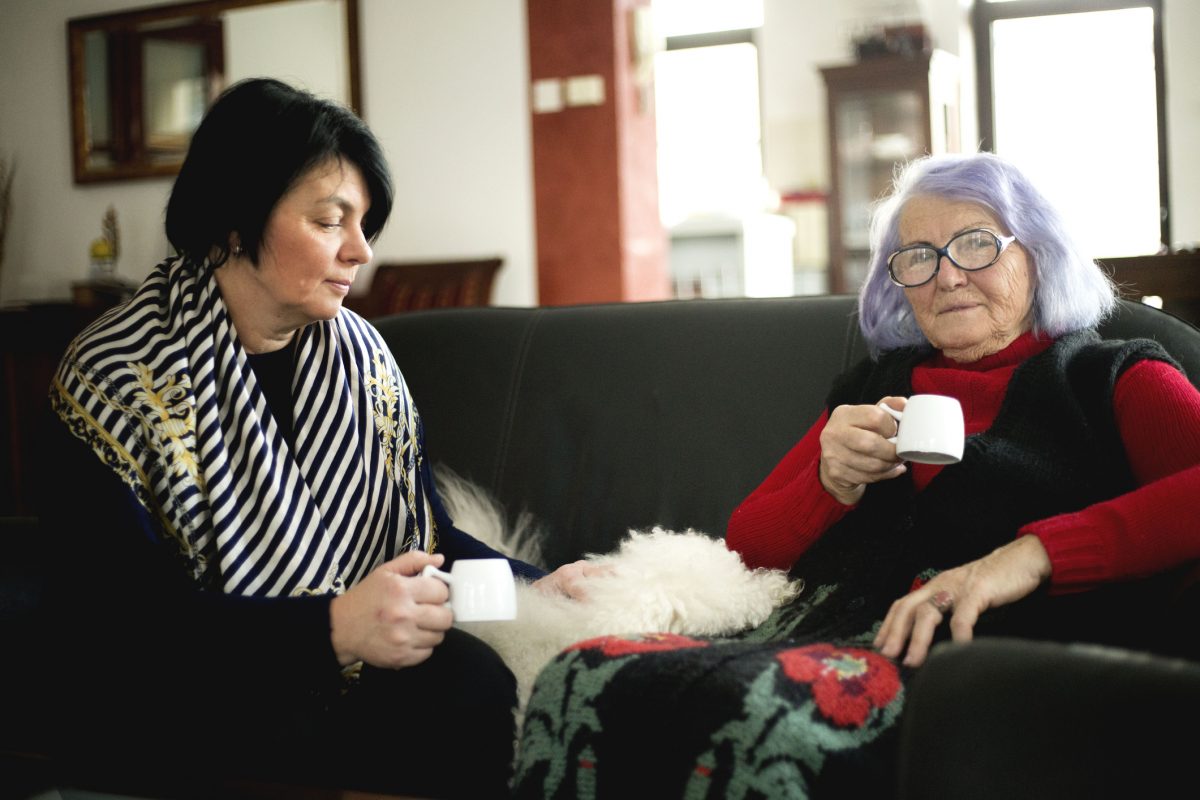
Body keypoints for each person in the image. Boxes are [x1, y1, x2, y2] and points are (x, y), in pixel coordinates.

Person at [41, 77, 590, 798]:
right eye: (332, 221)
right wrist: (332, 627)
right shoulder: (115, 377)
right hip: (195, 689)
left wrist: (536, 586)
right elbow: (124, 628)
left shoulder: (362, 359)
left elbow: (419, 531)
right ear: (237, 222)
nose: (361, 251)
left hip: (345, 672)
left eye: (365, 224)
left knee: (473, 683)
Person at [726, 151, 1200, 667]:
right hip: (802, 649)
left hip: (977, 684)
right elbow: (743, 548)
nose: (947, 277)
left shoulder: (1110, 380)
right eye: (920, 256)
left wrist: (1032, 557)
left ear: (1038, 258)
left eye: (977, 244)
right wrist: (826, 484)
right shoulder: (872, 386)